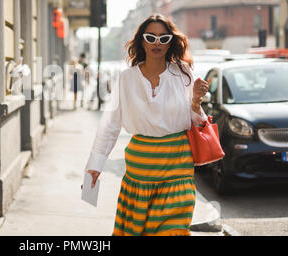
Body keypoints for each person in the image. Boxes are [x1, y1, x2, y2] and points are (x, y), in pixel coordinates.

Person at [83, 14, 209, 236]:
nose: (157, 43)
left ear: (171, 41)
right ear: (142, 41)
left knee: (173, 231)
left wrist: (196, 102)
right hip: (140, 173)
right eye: (150, 37)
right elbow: (110, 125)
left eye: (163, 37)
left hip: (177, 167)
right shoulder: (126, 78)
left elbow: (198, 120)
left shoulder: (183, 74)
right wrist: (95, 165)